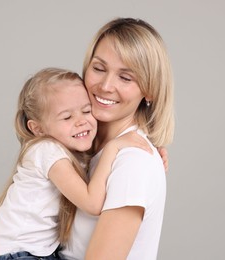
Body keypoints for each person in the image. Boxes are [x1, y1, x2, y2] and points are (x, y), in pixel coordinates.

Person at [0, 67, 152, 260]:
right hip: (18, 254)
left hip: (34, 253)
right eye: (67, 117)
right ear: (37, 129)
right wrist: (114, 148)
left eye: (86, 111)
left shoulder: (69, 149)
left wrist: (151, 146)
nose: (81, 121)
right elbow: (92, 204)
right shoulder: (47, 151)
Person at [60, 17, 175, 260]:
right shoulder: (80, 144)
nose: (105, 85)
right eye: (99, 69)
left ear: (150, 90)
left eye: (126, 78)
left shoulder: (133, 162)